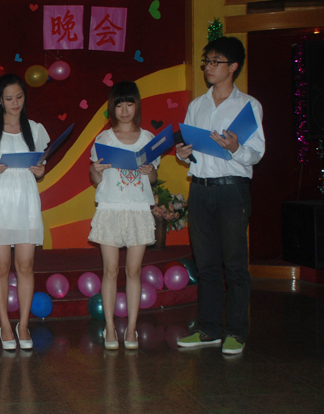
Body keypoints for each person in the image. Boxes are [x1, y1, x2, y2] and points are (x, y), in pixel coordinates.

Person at [175, 36, 265, 356]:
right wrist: (183, 153)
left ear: (233, 66)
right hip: (200, 190)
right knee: (206, 266)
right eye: (207, 61)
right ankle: (209, 329)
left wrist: (235, 147)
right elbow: (189, 150)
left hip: (232, 191)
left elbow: (256, 153)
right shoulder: (197, 105)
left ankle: (236, 331)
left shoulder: (248, 106)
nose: (209, 67)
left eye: (215, 62)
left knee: (235, 265)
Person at [0, 74, 49, 351]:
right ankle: (5, 324)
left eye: (19, 97)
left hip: (26, 200)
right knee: (1, 266)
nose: (15, 103)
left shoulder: (35, 129)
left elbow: (39, 168)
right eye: (9, 98)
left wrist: (40, 170)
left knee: (25, 265)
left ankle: (23, 324)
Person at [89, 81, 159, 351]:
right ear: (112, 108)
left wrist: (150, 171)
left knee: (133, 271)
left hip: (138, 209)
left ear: (137, 106)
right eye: (119, 105)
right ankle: (109, 327)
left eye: (130, 104)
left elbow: (153, 178)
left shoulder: (148, 138)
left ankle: (131, 329)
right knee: (109, 270)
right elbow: (96, 178)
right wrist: (96, 170)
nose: (125, 110)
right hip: (110, 208)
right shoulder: (103, 139)